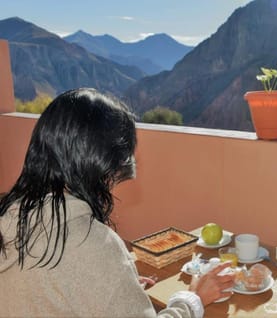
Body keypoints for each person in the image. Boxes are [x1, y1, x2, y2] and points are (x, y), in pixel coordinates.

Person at [0, 88, 234, 317]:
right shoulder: (91, 244)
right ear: (100, 164)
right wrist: (192, 300)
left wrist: (117, 288)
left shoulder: (10, 217)